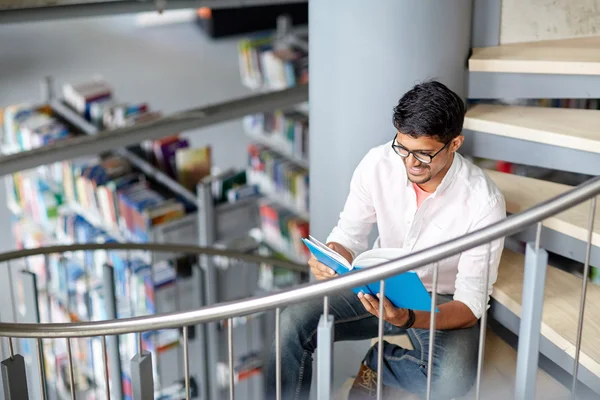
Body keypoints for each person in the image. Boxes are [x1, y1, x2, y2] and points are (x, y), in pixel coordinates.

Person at [266, 81, 506, 399]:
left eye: (424, 154)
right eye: (403, 148)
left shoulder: (483, 202)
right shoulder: (377, 164)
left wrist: (406, 317)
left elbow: (470, 305)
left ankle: (382, 364)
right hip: (379, 286)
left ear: (455, 143)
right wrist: (333, 255)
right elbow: (349, 234)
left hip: (442, 299)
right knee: (292, 321)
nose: (410, 163)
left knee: (451, 380)